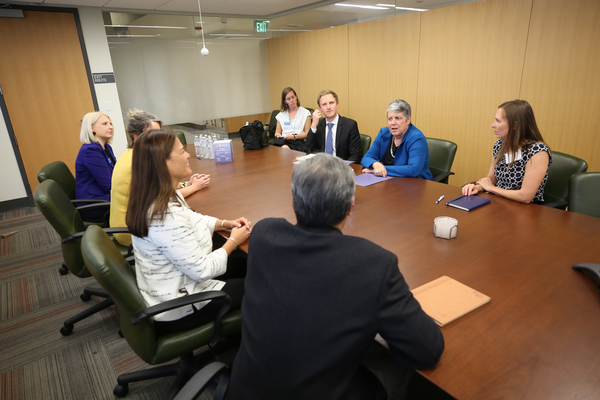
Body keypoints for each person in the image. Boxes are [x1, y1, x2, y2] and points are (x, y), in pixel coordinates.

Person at [226, 153, 444, 400]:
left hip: (244, 390)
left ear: (293, 202)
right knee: (396, 365)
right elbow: (426, 351)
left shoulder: (264, 235)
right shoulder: (373, 263)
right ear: (351, 207)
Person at [126, 129, 251, 333]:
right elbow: (203, 271)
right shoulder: (164, 215)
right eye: (182, 151)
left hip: (178, 282)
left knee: (245, 263)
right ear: (164, 162)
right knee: (264, 285)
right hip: (180, 304)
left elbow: (196, 219)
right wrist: (233, 242)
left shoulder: (162, 194)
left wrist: (226, 223)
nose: (188, 155)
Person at [110, 109, 210, 246]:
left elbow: (161, 185)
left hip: (131, 220)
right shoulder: (139, 162)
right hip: (132, 230)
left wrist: (186, 183)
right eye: (153, 134)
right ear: (137, 137)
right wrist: (194, 187)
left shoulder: (131, 153)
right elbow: (165, 197)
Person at [462, 100, 551, 203]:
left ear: (515, 125)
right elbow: (491, 179)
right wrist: (478, 187)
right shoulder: (499, 146)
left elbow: (525, 196)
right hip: (498, 202)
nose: (493, 125)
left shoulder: (537, 152)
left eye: (498, 121)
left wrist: (491, 188)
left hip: (525, 210)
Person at [361, 100, 432, 179]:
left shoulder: (416, 138)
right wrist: (375, 164)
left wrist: (379, 170)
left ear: (408, 120)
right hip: (388, 181)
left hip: (415, 183)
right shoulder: (383, 133)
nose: (393, 123)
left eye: (398, 118)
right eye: (390, 119)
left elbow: (413, 170)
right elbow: (366, 158)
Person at [75, 111, 117, 221]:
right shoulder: (90, 150)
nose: (110, 127)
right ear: (92, 128)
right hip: (96, 203)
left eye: (110, 123)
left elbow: (116, 172)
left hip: (103, 196)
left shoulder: (106, 147)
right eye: (105, 124)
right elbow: (109, 184)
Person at [305, 89, 362, 162]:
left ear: (337, 104)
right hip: (322, 167)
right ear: (320, 108)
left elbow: (356, 156)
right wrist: (313, 126)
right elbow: (307, 150)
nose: (328, 107)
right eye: (324, 104)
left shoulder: (350, 125)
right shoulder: (318, 125)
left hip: (342, 168)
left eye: (331, 103)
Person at [272, 87, 312, 151]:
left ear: (296, 97)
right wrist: (278, 135)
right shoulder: (281, 115)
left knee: (284, 149)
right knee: (275, 149)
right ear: (285, 101)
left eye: (293, 97)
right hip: (284, 140)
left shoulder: (306, 113)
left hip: (298, 141)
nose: (291, 100)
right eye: (288, 99)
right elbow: (277, 132)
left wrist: (293, 137)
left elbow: (307, 133)